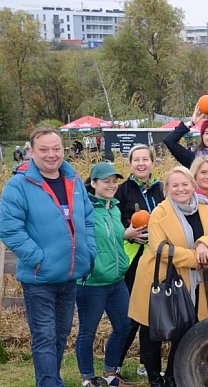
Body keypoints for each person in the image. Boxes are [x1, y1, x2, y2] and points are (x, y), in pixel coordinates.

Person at [0, 127, 96, 387]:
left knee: (60, 335)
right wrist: (38, 258)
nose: (51, 154)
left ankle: (51, 380)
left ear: (64, 150)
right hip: (39, 278)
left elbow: (88, 219)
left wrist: (89, 250)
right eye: (43, 149)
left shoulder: (73, 180)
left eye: (56, 149)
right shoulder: (19, 185)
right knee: (44, 336)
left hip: (70, 275)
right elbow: (10, 229)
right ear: (31, 151)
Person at [128, 166, 208, 387]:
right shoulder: (160, 213)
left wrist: (204, 243)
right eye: (175, 185)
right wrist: (194, 258)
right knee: (152, 329)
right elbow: (160, 248)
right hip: (159, 279)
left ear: (193, 185)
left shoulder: (205, 209)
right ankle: (155, 379)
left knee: (185, 327)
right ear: (167, 189)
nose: (180, 189)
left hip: (193, 282)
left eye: (185, 184)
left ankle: (172, 376)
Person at [77, 163, 138, 387]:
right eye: (106, 181)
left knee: (124, 326)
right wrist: (89, 265)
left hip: (116, 280)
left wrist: (128, 235)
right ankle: (87, 377)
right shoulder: (84, 208)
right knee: (88, 331)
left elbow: (114, 238)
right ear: (93, 183)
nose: (112, 185)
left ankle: (110, 373)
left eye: (114, 181)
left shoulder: (114, 208)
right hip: (92, 281)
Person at [114, 144, 164, 376]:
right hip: (133, 259)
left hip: (157, 258)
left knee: (152, 313)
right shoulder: (122, 191)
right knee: (131, 314)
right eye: (137, 160)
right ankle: (115, 364)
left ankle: (146, 364)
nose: (141, 164)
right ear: (130, 164)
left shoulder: (162, 189)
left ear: (152, 163)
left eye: (145, 159)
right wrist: (128, 232)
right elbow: (113, 220)